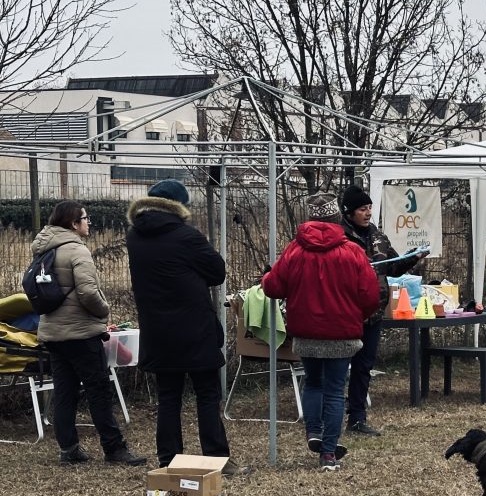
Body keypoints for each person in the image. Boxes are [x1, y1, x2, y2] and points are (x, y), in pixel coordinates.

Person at [261, 192, 379, 471]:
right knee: (336, 391)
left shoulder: (294, 250)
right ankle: (328, 453)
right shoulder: (352, 251)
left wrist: (268, 275)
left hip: (306, 332)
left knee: (313, 383)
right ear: (337, 217)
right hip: (343, 332)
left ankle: (313, 432)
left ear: (311, 219)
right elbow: (371, 296)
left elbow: (273, 288)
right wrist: (356, 316)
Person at [127, 179, 236, 470]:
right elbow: (217, 272)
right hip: (195, 328)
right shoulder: (187, 236)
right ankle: (216, 457)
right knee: (207, 394)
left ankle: (168, 459)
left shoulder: (134, 237)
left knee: (168, 397)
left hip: (157, 331)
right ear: (179, 206)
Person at [33, 201, 146, 466]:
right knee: (97, 390)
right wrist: (103, 311)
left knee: (64, 392)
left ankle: (69, 449)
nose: (89, 222)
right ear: (74, 223)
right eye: (85, 218)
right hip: (81, 333)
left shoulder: (42, 250)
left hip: (53, 333)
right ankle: (114, 448)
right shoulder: (76, 251)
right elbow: (87, 292)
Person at [339, 183, 427, 437]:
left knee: (363, 367)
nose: (367, 213)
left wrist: (413, 258)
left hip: (373, 314)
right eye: (362, 209)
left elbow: (393, 267)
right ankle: (330, 415)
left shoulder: (377, 236)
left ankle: (357, 418)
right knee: (340, 366)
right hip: (347, 312)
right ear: (349, 213)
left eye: (369, 208)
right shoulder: (340, 237)